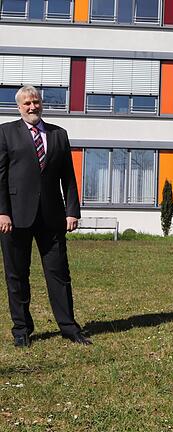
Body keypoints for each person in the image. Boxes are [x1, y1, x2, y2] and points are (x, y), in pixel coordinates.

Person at [0, 86, 87, 348]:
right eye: (26, 103)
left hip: (52, 217)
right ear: (19, 107)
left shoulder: (59, 135)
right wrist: (2, 211)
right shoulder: (5, 133)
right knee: (17, 275)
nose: (32, 107)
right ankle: (21, 329)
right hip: (14, 217)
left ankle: (69, 327)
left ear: (42, 104)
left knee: (59, 273)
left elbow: (68, 177)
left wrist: (72, 211)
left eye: (35, 102)